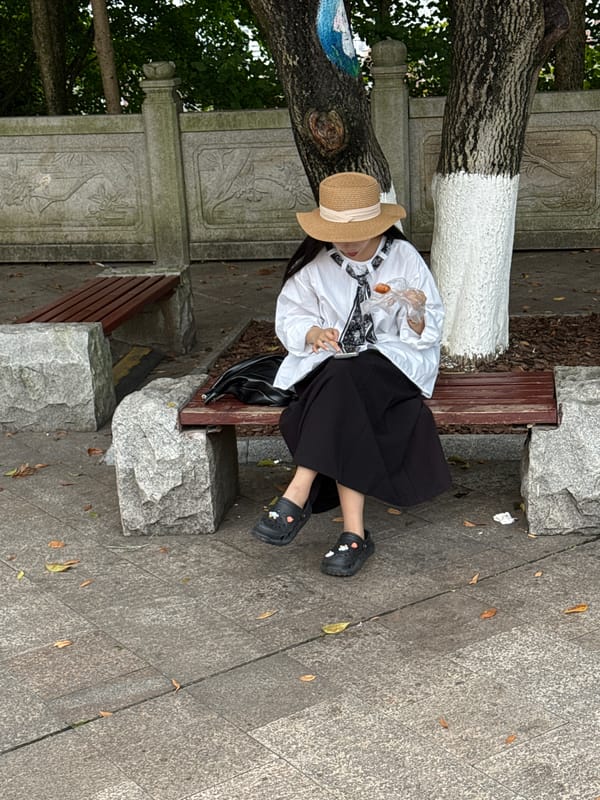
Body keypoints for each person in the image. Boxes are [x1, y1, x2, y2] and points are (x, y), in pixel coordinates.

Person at [251, 171, 451, 576]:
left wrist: (414, 311)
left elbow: (427, 330)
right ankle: (354, 534)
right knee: (346, 386)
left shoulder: (402, 257)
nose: (348, 242)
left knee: (350, 378)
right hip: (334, 368)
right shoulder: (317, 265)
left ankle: (298, 490)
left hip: (393, 363)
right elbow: (291, 316)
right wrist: (313, 333)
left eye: (358, 232)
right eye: (338, 234)